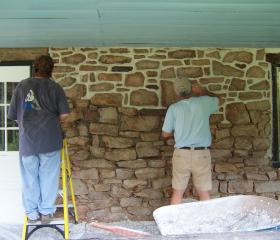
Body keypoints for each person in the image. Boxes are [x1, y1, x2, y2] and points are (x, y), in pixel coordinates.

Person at [8, 55, 69, 223]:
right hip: (50, 140)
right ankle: (46, 212)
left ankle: (31, 212)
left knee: (29, 177)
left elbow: (12, 115)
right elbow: (64, 115)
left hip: (28, 141)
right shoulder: (55, 87)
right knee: (49, 176)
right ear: (51, 70)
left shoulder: (22, 86)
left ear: (35, 67)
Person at [162, 77, 221, 204]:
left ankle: (172, 222)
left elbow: (165, 134)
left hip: (182, 153)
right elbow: (218, 99)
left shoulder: (174, 108)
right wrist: (203, 91)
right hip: (201, 154)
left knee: (178, 191)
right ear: (191, 89)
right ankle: (206, 222)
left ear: (176, 92)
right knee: (203, 192)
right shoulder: (204, 102)